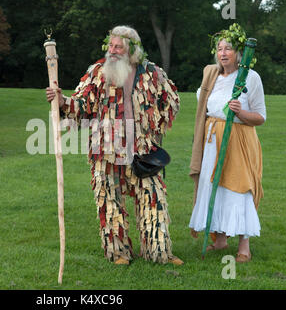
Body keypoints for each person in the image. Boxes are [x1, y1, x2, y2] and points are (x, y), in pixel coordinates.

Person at [46, 25, 183, 265]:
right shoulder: (98, 72)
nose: (113, 50)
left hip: (142, 150)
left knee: (153, 199)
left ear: (132, 50)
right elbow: (82, 103)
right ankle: (118, 252)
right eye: (110, 45)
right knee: (110, 202)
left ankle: (158, 251)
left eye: (118, 46)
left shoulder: (152, 73)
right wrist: (62, 101)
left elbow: (171, 101)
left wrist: (153, 125)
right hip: (106, 150)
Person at [188, 23, 266, 263]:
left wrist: (241, 112)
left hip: (238, 140)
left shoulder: (250, 78)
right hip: (212, 140)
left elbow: (261, 117)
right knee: (215, 188)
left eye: (228, 49)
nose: (223, 53)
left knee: (238, 189)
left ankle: (244, 244)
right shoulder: (211, 75)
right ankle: (220, 240)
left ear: (239, 52)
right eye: (220, 49)